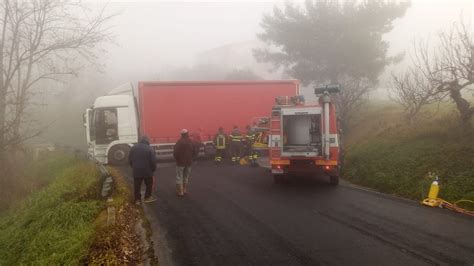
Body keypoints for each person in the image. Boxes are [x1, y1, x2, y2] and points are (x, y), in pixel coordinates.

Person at [128, 135, 157, 205]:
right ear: (147, 140)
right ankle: (147, 198)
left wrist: (134, 167)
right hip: (147, 171)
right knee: (149, 184)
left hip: (137, 171)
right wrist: (153, 169)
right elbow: (153, 161)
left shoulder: (133, 148)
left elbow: (129, 160)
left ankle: (137, 200)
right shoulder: (150, 149)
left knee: (137, 185)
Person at [173, 129, 197, 196]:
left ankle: (180, 192)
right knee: (186, 176)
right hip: (189, 162)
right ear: (187, 134)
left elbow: (175, 152)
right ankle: (184, 190)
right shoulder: (191, 141)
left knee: (179, 177)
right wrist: (192, 158)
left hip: (180, 163)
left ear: (181, 134)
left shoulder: (179, 142)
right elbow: (195, 151)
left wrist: (177, 159)